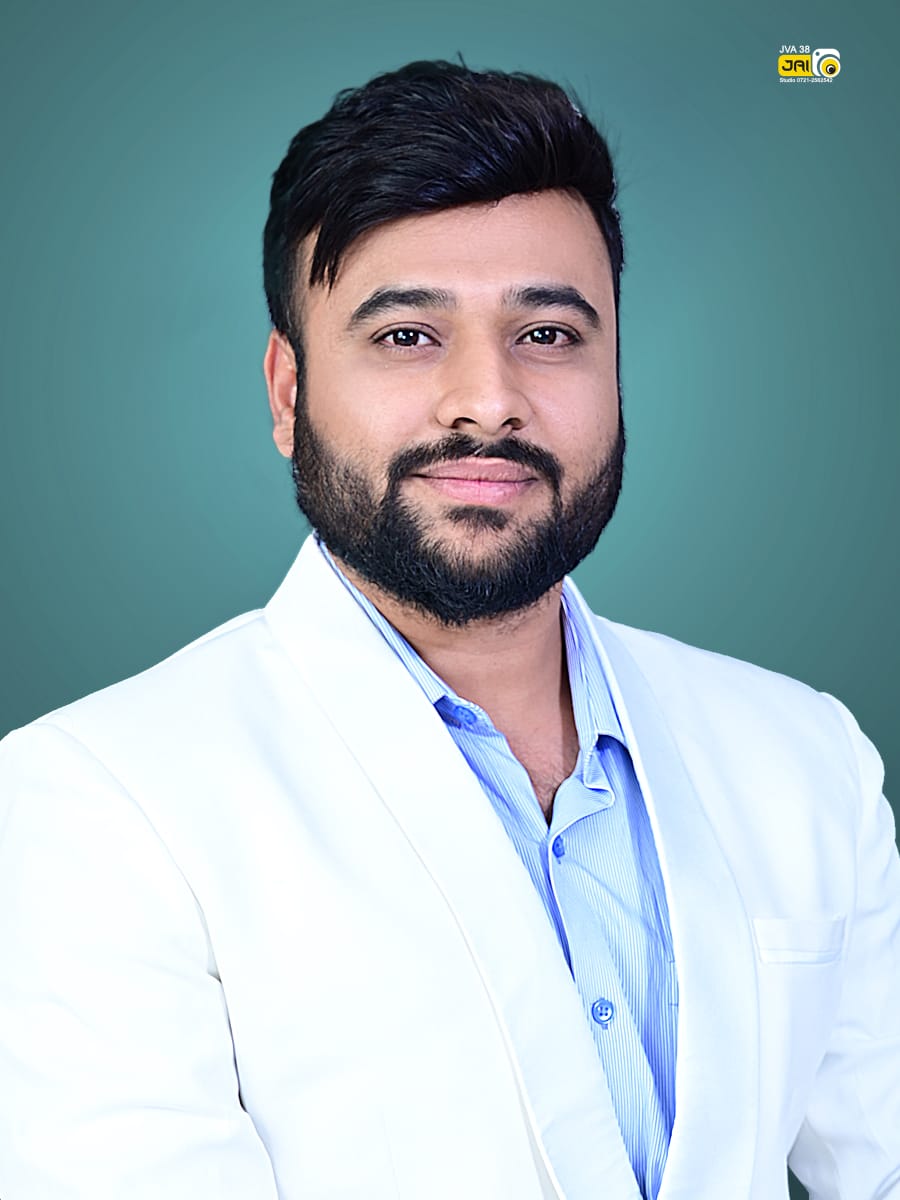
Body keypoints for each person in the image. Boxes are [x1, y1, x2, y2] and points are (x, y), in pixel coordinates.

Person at [0, 59, 897, 1200]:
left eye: (551, 334)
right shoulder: (96, 805)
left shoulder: (806, 754)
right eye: (407, 336)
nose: (488, 399)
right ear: (287, 392)